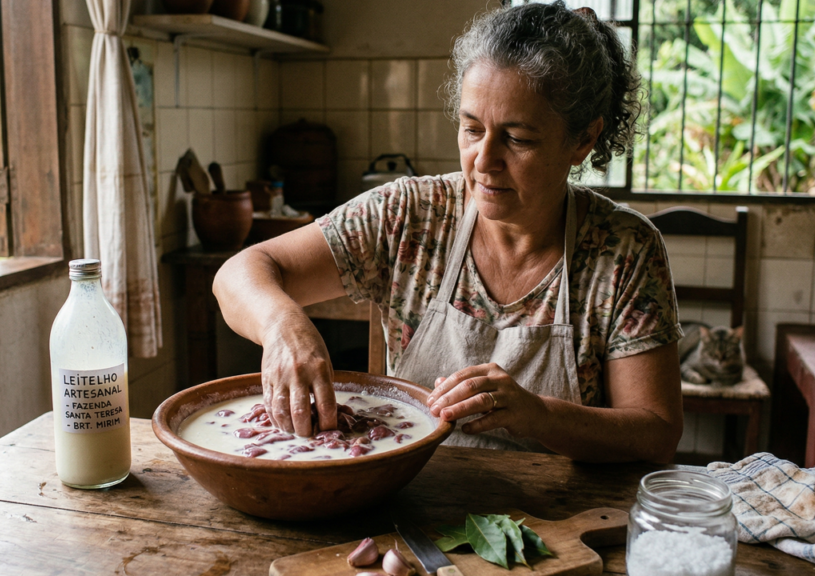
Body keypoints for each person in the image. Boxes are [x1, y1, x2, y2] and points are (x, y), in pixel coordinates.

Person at [213, 1, 684, 463]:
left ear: (583, 139)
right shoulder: (411, 215)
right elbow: (241, 271)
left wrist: (537, 414)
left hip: (561, 514)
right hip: (413, 496)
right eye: (471, 128)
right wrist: (282, 327)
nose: (484, 161)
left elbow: (655, 433)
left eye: (518, 139)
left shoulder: (623, 249)